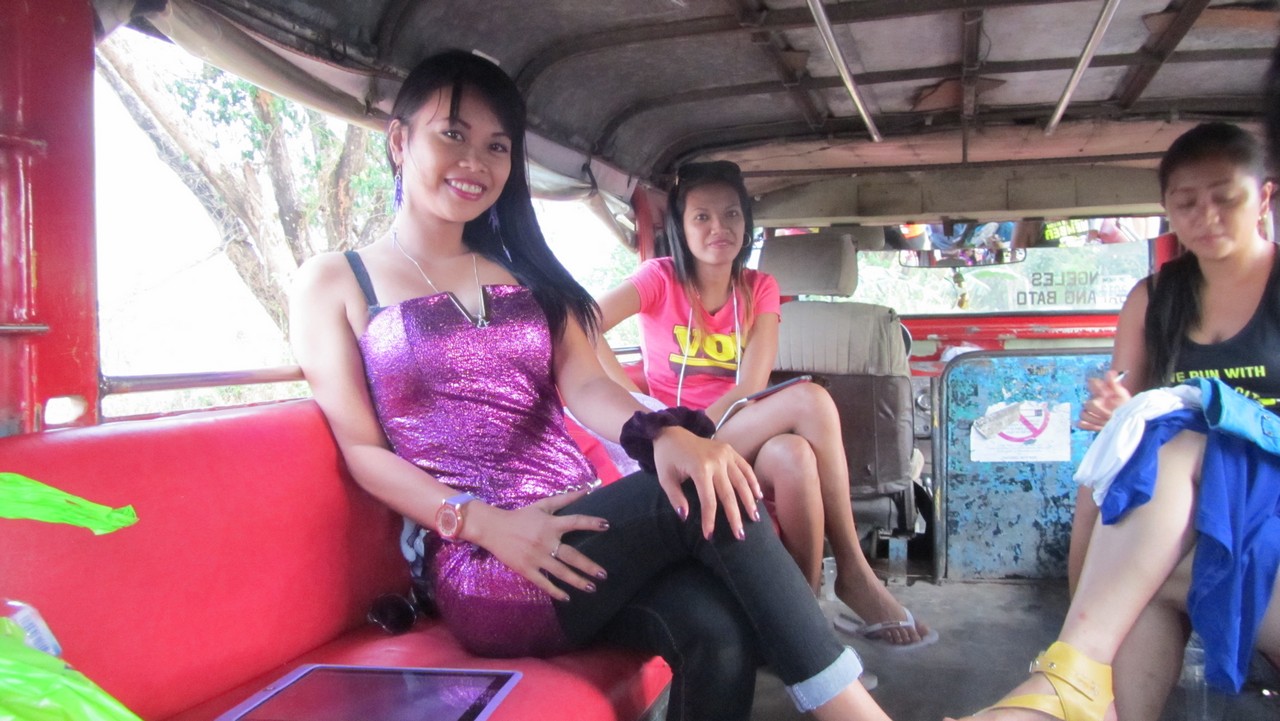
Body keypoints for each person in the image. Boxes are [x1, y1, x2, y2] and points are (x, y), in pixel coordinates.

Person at [290, 50, 894, 721]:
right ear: (400, 141)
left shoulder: (524, 275)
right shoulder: (337, 282)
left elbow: (585, 385)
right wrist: (481, 522)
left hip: (585, 521)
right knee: (706, 486)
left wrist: (660, 433)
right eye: (452, 135)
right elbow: (362, 450)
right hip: (484, 558)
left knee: (719, 634)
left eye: (497, 146)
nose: (475, 162)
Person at [953, 122, 1280, 721]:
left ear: (1263, 198)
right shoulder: (1154, 299)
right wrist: (1115, 412)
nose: (1205, 216)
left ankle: (1074, 674)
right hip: (1184, 506)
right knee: (1115, 473)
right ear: (1167, 211)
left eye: (1225, 198)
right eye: (1186, 203)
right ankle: (1089, 682)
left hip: (1266, 492)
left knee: (1176, 444)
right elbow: (1129, 406)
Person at [593, 160, 934, 648]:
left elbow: (748, 388)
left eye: (731, 214)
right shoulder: (659, 278)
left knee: (793, 455)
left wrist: (700, 430)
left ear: (746, 224)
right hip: (672, 445)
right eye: (702, 217)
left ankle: (801, 619)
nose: (719, 227)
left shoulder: (758, 289)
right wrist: (636, 406)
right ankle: (854, 573)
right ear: (681, 227)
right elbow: (584, 322)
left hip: (727, 428)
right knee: (811, 400)